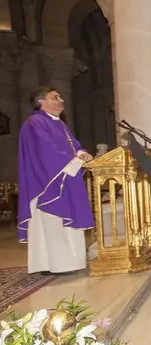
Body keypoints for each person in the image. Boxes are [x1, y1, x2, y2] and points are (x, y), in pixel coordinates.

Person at [17, 86, 94, 275]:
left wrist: (82, 154)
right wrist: (74, 161)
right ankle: (57, 265)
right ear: (41, 102)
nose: (61, 100)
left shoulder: (59, 124)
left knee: (64, 224)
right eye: (55, 97)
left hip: (65, 177)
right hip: (47, 183)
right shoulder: (35, 123)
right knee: (53, 224)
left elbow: (74, 145)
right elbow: (45, 152)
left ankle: (72, 262)